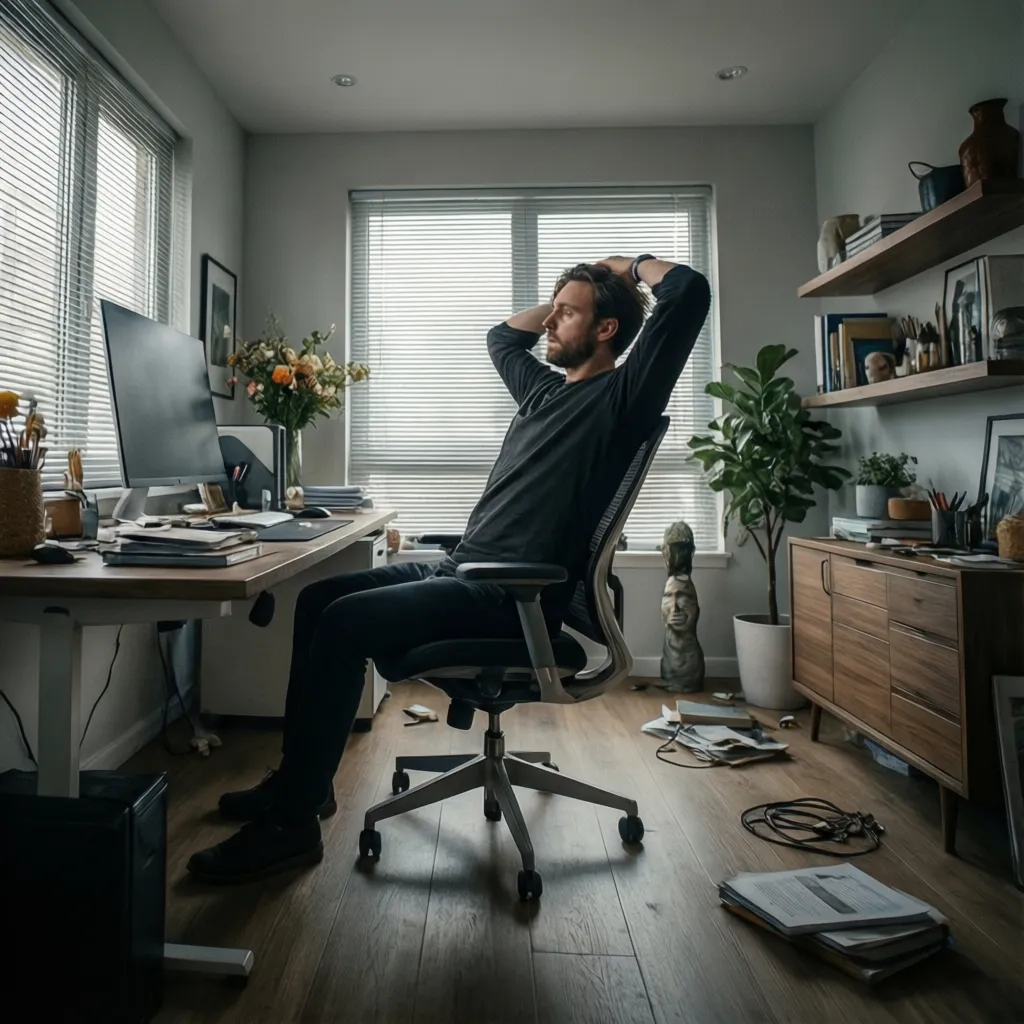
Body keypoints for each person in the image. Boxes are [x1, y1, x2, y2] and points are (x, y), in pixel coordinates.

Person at [186, 254, 711, 883]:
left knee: (344, 624)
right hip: (462, 571)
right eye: (552, 311)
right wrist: (567, 298)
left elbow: (689, 292)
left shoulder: (623, 397)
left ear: (606, 330)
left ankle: (290, 826)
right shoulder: (544, 391)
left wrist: (622, 268)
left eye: (567, 315)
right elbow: (502, 338)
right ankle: (302, 785)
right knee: (317, 600)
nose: (549, 323)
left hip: (506, 597)